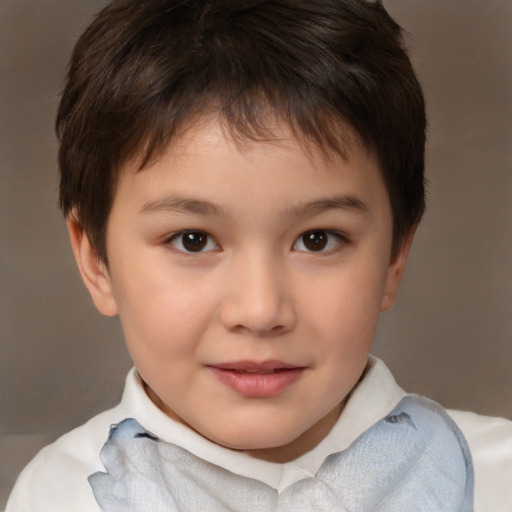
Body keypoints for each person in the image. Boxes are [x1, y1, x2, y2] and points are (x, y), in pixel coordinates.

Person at [6, 0, 511, 510]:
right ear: (97, 261)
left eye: (317, 239)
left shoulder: (497, 476)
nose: (260, 310)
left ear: (395, 256)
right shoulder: (58, 496)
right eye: (193, 240)